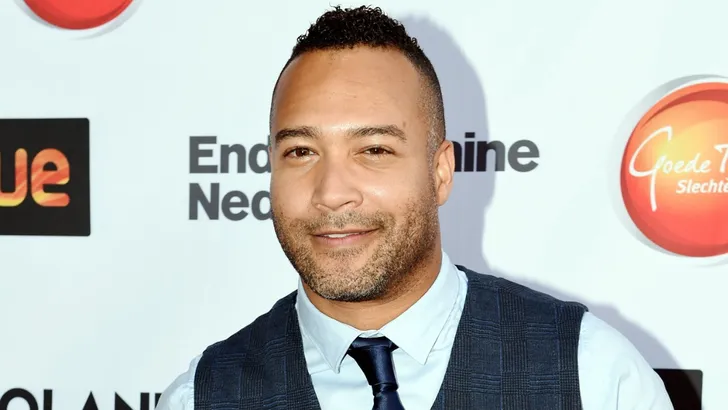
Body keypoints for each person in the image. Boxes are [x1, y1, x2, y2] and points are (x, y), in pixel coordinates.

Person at [158, 5, 673, 410]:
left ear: (441, 172)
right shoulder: (199, 397)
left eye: (374, 150)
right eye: (301, 152)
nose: (332, 192)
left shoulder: (594, 377)